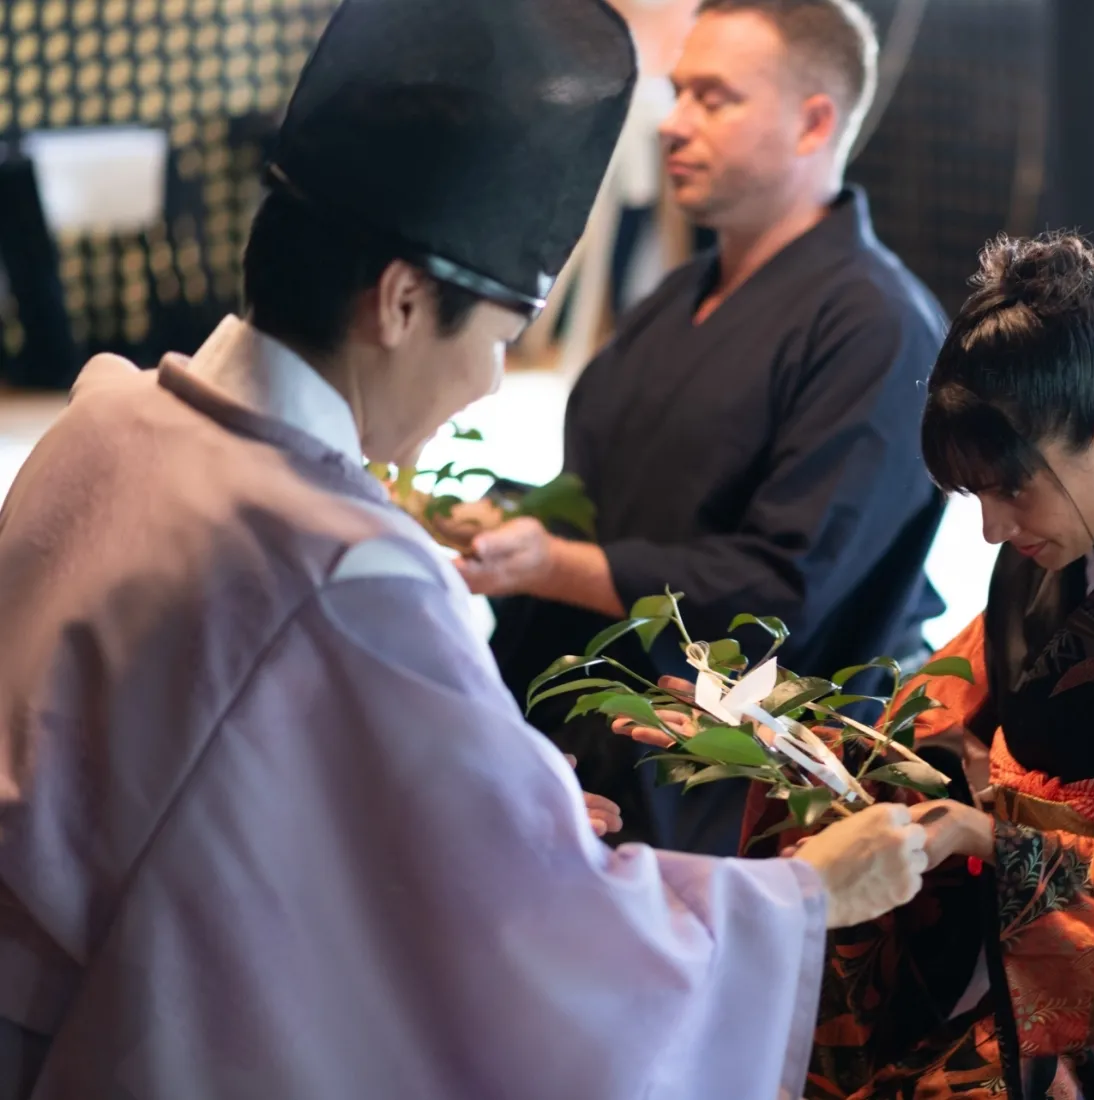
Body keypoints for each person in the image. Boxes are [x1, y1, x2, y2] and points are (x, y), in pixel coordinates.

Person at [0, 3, 943, 1097]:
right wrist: (802, 897)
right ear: (402, 301)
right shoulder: (348, 566)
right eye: (497, 335)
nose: (496, 378)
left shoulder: (101, 419)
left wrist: (514, 799)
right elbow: (539, 929)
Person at [618, 233, 1094, 1097]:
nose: (992, 528)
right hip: (1025, 940)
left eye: (1009, 489)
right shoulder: (1049, 559)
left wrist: (999, 838)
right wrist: (775, 737)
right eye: (977, 496)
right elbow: (926, 721)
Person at [462, 0, 950, 858]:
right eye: (678, 91)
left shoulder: (879, 325)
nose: (673, 123)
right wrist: (503, 523)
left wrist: (554, 563)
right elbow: (605, 495)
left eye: (713, 98)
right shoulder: (672, 301)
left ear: (813, 122)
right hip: (590, 740)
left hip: (731, 782)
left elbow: (783, 592)